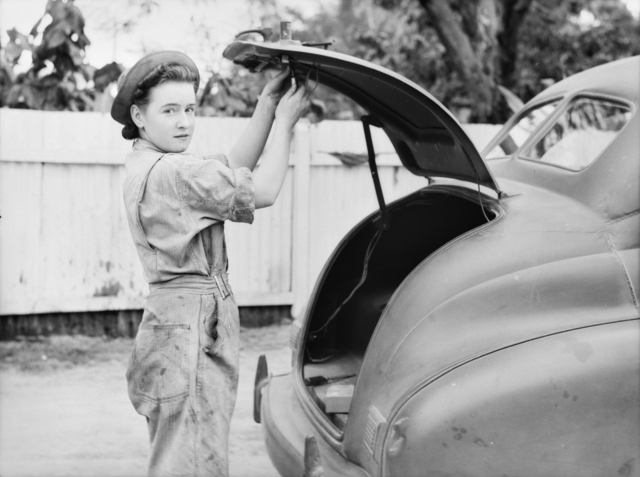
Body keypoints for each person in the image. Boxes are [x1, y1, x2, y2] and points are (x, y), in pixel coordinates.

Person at [110, 50, 307, 477]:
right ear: (139, 116)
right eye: (169, 110)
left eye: (190, 109)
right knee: (195, 463)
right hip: (190, 332)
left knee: (182, 458)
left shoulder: (151, 165)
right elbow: (264, 189)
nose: (184, 121)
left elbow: (235, 169)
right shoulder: (172, 173)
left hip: (172, 326)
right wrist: (288, 124)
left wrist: (268, 105)